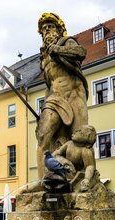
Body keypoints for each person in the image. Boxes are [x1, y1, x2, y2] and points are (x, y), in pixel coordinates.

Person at [36, 13, 89, 179]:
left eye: (50, 27)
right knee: (43, 137)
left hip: (74, 95)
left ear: (58, 29)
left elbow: (81, 52)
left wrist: (57, 50)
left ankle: (83, 178)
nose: (46, 31)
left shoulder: (67, 42)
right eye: (44, 29)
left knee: (80, 139)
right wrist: (43, 110)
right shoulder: (43, 57)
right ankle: (43, 181)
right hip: (55, 98)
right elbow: (48, 84)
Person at [52, 125, 96, 192]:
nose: (75, 132)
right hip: (65, 170)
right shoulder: (69, 144)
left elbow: (89, 166)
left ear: (86, 138)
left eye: (80, 131)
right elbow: (57, 153)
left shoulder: (85, 151)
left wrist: (87, 179)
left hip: (75, 176)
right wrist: (62, 160)